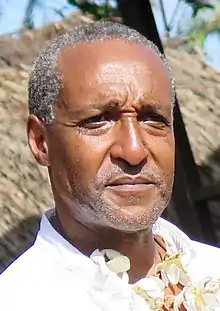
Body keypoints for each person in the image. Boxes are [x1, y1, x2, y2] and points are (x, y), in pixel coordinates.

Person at [0, 21, 220, 311]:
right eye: (97, 121)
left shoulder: (212, 269)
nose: (133, 150)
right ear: (42, 142)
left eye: (153, 119)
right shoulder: (21, 301)